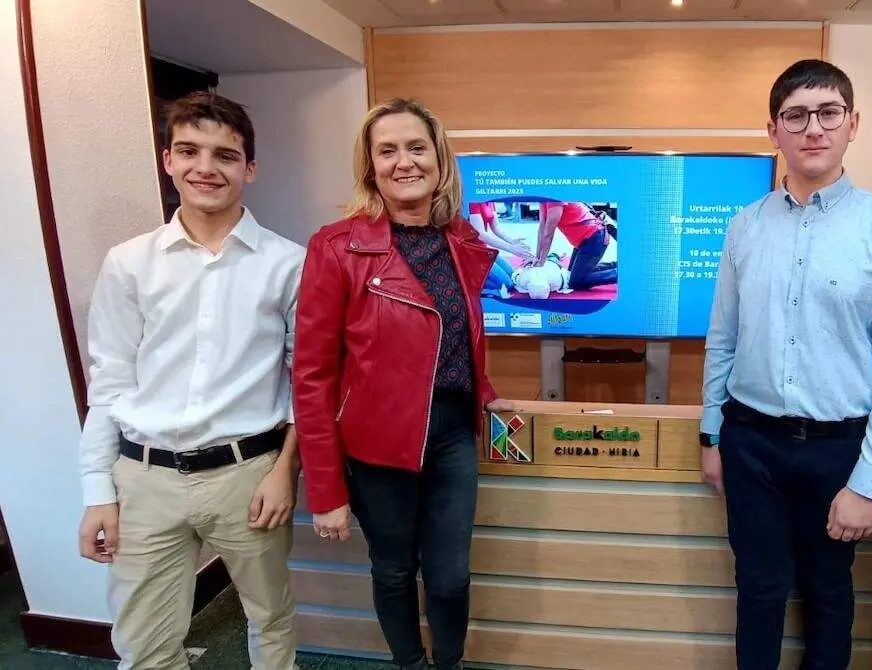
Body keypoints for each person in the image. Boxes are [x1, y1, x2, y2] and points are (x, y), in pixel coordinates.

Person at [700, 59, 872, 670]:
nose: (813, 129)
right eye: (795, 116)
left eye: (828, 113)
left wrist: (869, 481)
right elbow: (723, 338)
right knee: (759, 591)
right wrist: (711, 434)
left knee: (829, 594)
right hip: (751, 444)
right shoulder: (744, 228)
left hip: (839, 452)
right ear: (774, 130)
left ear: (853, 124)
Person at [76, 92, 303, 669]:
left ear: (249, 169)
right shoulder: (128, 263)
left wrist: (285, 471)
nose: (207, 167)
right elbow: (109, 382)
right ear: (168, 161)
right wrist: (97, 491)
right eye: (190, 151)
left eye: (226, 155)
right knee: (144, 645)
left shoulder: (289, 263)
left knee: (270, 618)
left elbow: (309, 381)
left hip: (248, 474)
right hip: (143, 478)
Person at [293, 97, 516, 670]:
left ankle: (449, 663)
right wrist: (326, 492)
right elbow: (312, 375)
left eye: (416, 147)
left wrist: (482, 392)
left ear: (439, 160)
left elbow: (451, 339)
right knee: (393, 570)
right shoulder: (336, 246)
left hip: (449, 438)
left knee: (450, 576)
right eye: (386, 150)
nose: (404, 162)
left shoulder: (461, 241)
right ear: (370, 166)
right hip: (375, 445)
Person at [533, 200, 617, 290]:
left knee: (575, 282)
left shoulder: (554, 199)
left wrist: (541, 261)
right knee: (572, 274)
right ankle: (616, 265)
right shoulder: (542, 200)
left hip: (594, 238)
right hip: (583, 241)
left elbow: (548, 234)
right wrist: (537, 257)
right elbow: (542, 227)